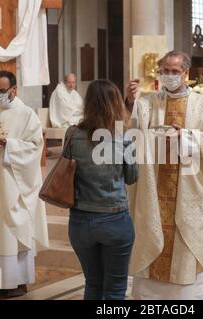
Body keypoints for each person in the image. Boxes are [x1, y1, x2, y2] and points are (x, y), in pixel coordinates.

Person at [125, 51, 203, 299]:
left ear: (186, 73)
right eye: (165, 71)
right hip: (153, 191)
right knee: (151, 233)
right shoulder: (147, 102)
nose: (168, 75)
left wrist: (187, 136)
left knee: (184, 247)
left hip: (189, 191)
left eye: (174, 71)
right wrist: (129, 103)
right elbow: (133, 136)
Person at [0, 70, 49, 298]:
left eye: (3, 91)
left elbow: (35, 147)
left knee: (11, 232)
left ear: (14, 89)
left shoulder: (26, 115)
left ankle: (17, 282)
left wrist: (7, 143)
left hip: (13, 187)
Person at [64, 79, 138, 300]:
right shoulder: (124, 138)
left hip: (80, 221)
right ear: (116, 104)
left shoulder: (72, 134)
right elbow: (133, 178)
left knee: (93, 284)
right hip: (114, 219)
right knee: (115, 289)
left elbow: (66, 171)